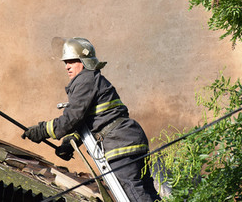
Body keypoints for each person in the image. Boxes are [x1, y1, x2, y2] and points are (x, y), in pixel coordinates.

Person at [22, 37, 161, 201]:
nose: (67, 66)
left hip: (119, 143)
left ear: (84, 61)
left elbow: (71, 118)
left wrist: (42, 130)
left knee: (132, 192)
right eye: (65, 62)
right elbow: (93, 121)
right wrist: (70, 142)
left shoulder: (84, 79)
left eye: (72, 61)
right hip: (129, 138)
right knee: (147, 192)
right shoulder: (94, 79)